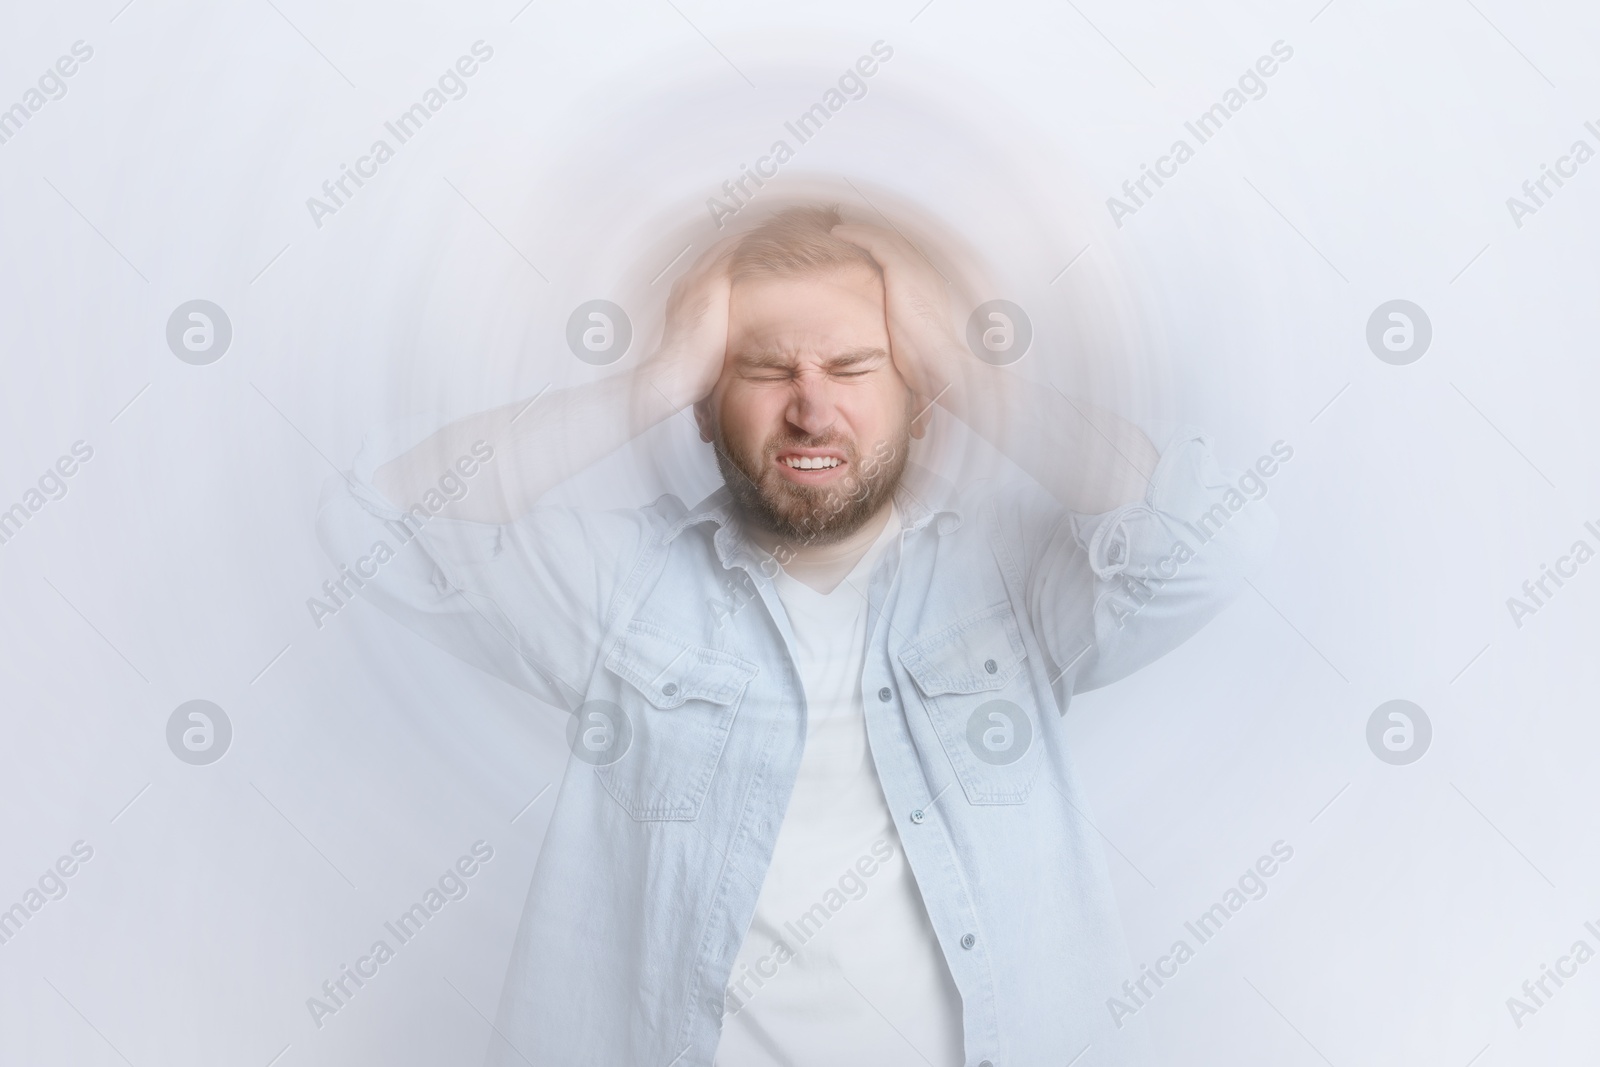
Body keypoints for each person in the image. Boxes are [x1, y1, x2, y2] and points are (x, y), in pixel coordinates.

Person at [317, 204, 1275, 1066]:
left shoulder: (1014, 582)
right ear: (704, 402)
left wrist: (970, 370)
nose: (811, 405)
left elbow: (1215, 542)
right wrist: (646, 383)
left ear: (923, 401)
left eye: (855, 368)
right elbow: (373, 532)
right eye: (766, 368)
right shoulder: (622, 588)